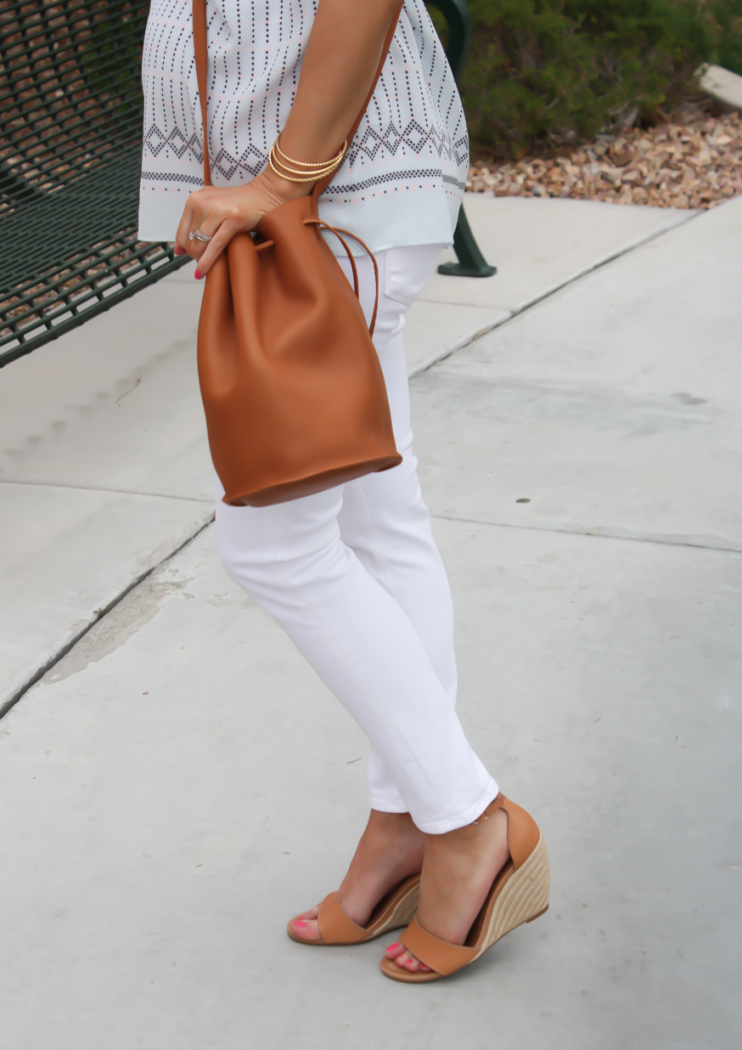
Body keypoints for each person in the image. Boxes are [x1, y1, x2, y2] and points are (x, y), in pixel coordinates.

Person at [138, 0, 548, 983]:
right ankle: (407, 820)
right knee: (378, 516)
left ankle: (467, 820)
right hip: (322, 183)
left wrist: (280, 180)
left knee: (273, 546)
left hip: (323, 189)